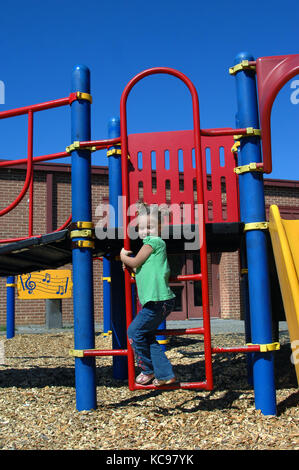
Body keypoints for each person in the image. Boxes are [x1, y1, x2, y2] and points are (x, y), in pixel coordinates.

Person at [120, 201, 176, 386]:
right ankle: (165, 374)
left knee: (133, 331)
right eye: (142, 228)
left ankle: (148, 370)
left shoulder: (154, 242)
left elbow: (135, 262)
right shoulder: (150, 247)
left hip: (158, 301)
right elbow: (139, 268)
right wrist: (131, 267)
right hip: (158, 302)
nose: (145, 231)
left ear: (160, 228)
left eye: (150, 227)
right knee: (146, 335)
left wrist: (123, 257)